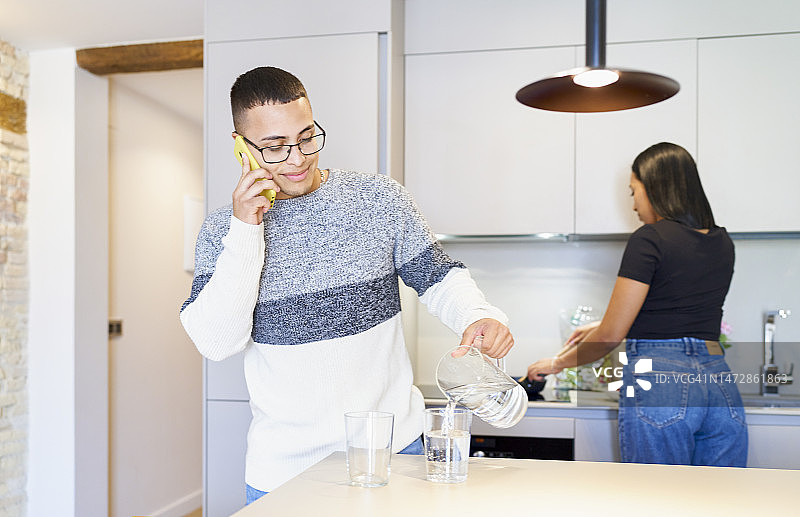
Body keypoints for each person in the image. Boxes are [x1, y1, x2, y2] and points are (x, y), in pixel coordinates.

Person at [180, 66, 514, 503]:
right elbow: (217, 342)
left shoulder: (378, 198)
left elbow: (436, 275)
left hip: (395, 451)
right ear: (240, 146)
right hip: (283, 471)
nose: (297, 159)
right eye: (275, 147)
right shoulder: (223, 231)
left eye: (306, 137)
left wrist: (479, 314)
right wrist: (246, 228)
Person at [527, 142, 747, 467]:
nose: (633, 205)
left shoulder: (650, 238)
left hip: (659, 379)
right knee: (720, 504)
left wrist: (557, 363)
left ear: (655, 187)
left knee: (657, 500)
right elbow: (676, 311)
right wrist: (600, 325)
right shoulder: (722, 242)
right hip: (718, 382)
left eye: (633, 191)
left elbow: (611, 336)